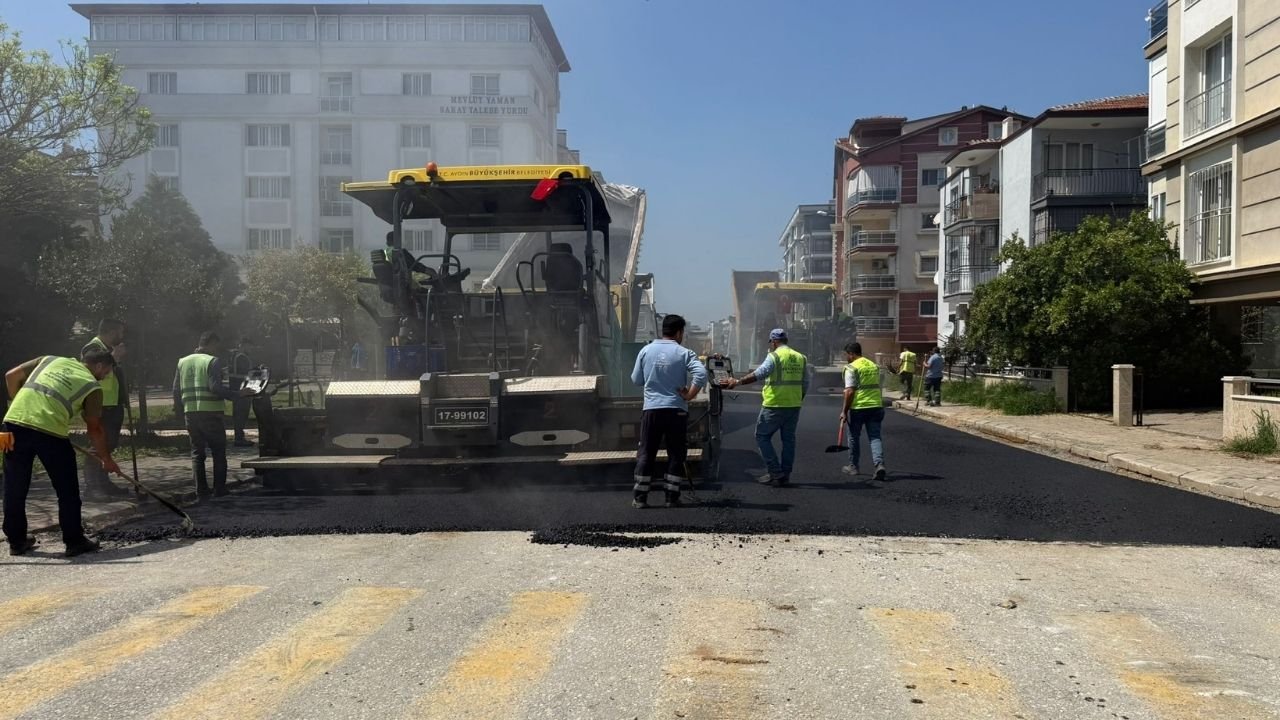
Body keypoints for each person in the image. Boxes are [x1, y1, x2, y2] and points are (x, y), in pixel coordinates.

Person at [3, 348, 121, 557]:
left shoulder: (49, 359)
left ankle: (17, 541)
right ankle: (74, 540)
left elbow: (11, 376)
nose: (106, 376)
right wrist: (106, 458)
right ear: (100, 366)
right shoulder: (92, 387)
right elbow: (94, 428)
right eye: (107, 372)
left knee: (15, 487)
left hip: (13, 425)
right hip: (50, 433)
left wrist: (21, 407)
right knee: (67, 490)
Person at [629, 314, 707, 509]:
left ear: (663, 330)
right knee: (676, 454)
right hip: (676, 411)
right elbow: (701, 373)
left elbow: (636, 379)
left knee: (647, 452)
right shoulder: (684, 353)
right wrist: (689, 395)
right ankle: (671, 498)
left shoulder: (645, 351)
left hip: (652, 410)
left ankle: (640, 498)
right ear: (679, 332)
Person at [721, 328, 808, 486]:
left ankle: (775, 472)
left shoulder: (774, 356)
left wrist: (738, 382)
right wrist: (797, 399)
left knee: (762, 436)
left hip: (774, 404)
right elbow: (806, 383)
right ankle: (786, 474)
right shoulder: (801, 357)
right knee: (789, 440)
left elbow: (759, 373)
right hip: (794, 405)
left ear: (774, 342)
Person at [174, 332, 248, 498]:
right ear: (211, 343)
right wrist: (238, 394)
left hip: (191, 414)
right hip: (210, 413)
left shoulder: (182, 362)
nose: (217, 350)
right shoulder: (212, 361)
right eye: (216, 346)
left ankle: (201, 490)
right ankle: (219, 489)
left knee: (197, 453)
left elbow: (176, 390)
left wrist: (180, 412)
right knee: (218, 451)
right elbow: (215, 388)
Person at [79, 319, 132, 498]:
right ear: (111, 332)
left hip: (112, 404)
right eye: (120, 332)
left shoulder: (109, 350)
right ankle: (92, 487)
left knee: (109, 444)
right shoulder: (92, 348)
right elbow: (90, 372)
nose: (122, 336)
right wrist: (115, 358)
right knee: (97, 445)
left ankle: (103, 483)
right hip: (99, 404)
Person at [840, 342, 887, 482]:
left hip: (859, 407)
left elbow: (849, 391)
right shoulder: (873, 365)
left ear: (851, 354)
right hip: (876, 405)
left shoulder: (851, 368)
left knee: (854, 436)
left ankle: (853, 467)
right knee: (875, 437)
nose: (846, 358)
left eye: (847, 355)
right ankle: (879, 465)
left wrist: (844, 411)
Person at [228, 337, 256, 447]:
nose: (251, 349)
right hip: (243, 390)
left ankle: (239, 437)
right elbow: (248, 373)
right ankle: (239, 439)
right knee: (241, 415)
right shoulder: (242, 357)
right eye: (250, 347)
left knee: (238, 415)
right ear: (244, 345)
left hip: (236, 389)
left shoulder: (233, 356)